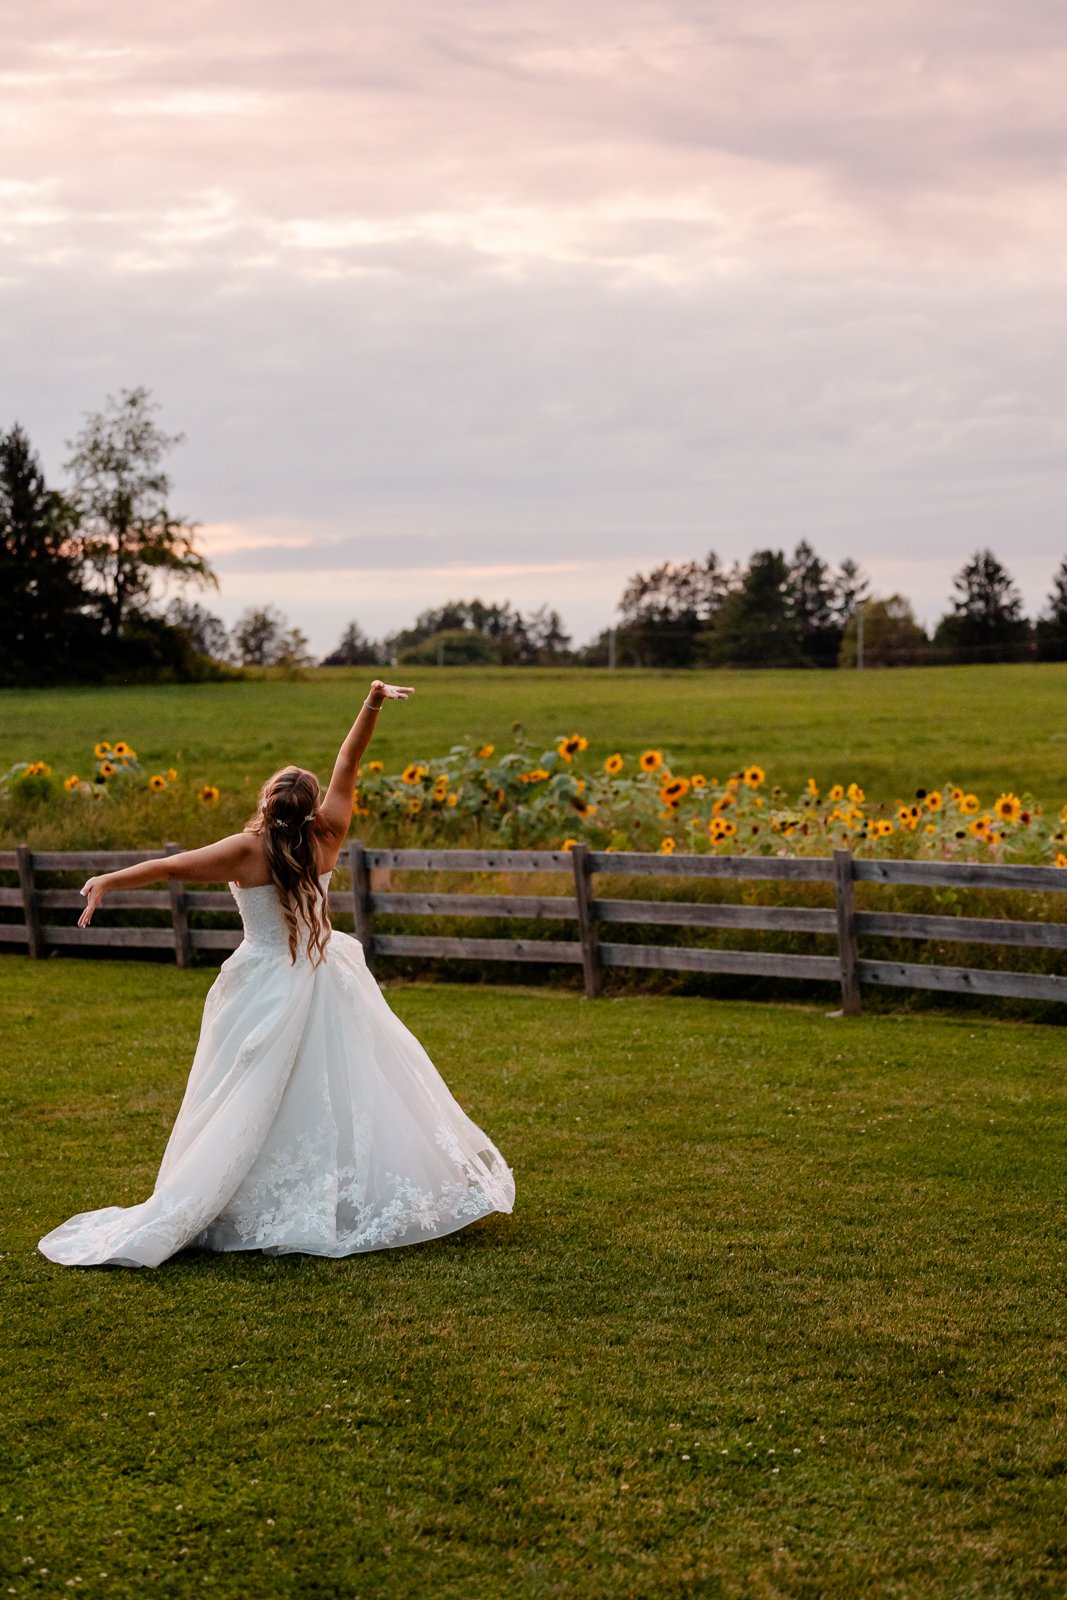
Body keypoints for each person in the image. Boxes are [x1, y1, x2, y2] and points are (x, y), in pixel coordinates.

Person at [38, 680, 515, 1268]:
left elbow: (170, 866)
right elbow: (349, 762)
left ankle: (238, 1198)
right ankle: (328, 1192)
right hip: (324, 977)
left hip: (263, 981)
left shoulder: (245, 849)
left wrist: (109, 880)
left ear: (267, 804)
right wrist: (371, 701)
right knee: (339, 1090)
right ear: (310, 807)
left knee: (246, 1093)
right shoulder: (328, 834)